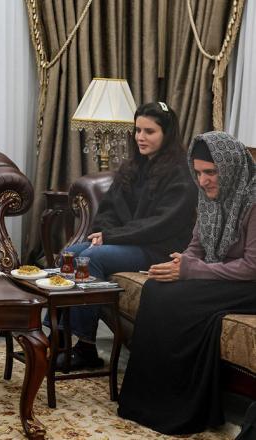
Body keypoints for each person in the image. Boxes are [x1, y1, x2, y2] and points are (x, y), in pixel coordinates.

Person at [117, 131, 256, 434]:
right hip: (221, 277)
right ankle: (147, 402)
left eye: (211, 172)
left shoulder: (253, 200)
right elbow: (196, 247)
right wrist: (180, 263)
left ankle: (180, 409)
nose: (203, 181)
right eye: (198, 173)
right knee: (156, 289)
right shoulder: (210, 197)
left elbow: (251, 267)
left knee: (177, 300)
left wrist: (191, 269)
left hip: (249, 285)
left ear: (230, 167)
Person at [49, 102, 198, 370]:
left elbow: (160, 224)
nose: (141, 137)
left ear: (167, 134)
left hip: (158, 249)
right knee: (70, 254)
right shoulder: (132, 167)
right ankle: (58, 338)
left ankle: (85, 347)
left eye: (149, 131)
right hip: (128, 242)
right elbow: (108, 209)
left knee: (91, 259)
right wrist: (105, 233)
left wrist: (111, 236)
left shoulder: (181, 173)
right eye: (138, 130)